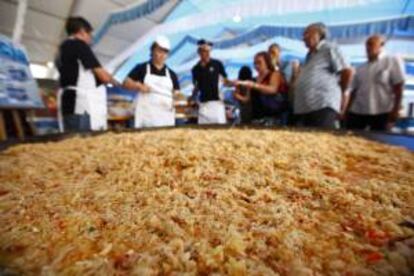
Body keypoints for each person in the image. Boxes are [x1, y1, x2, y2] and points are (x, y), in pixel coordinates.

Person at [56, 16, 119, 133]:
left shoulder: (62, 48)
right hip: (81, 105)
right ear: (82, 32)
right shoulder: (79, 45)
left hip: (69, 103)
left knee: (71, 141)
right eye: (89, 34)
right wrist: (116, 82)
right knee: (82, 142)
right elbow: (103, 76)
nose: (90, 38)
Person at [294, 22, 353, 129]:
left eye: (308, 33)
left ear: (320, 34)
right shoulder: (309, 55)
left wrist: (341, 93)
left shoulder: (330, 48)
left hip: (323, 105)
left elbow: (347, 72)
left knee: (322, 140)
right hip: (307, 108)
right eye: (303, 35)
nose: (304, 37)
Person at [345, 35, 405, 131]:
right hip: (358, 111)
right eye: (366, 45)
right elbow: (353, 92)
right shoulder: (360, 68)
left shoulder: (392, 61)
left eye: (371, 44)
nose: (368, 47)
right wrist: (346, 111)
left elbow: (399, 86)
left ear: (381, 45)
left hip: (382, 111)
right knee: (349, 139)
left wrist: (396, 110)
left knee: (379, 142)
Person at [123, 36, 180, 128]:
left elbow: (176, 93)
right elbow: (125, 83)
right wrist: (138, 86)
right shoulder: (141, 68)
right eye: (159, 51)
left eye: (165, 52)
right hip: (147, 118)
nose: (162, 55)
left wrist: (176, 98)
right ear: (152, 51)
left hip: (166, 118)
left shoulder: (172, 74)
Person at [236, 51, 289, 126]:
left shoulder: (274, 74)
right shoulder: (253, 80)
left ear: (267, 62)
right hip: (256, 118)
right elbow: (247, 99)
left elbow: (273, 89)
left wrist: (254, 85)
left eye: (259, 62)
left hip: (272, 117)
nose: (257, 66)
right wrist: (237, 95)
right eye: (255, 63)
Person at [190, 39, 234, 124]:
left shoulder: (217, 64)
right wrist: (192, 98)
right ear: (199, 52)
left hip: (217, 104)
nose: (206, 53)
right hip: (203, 105)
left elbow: (225, 80)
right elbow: (196, 86)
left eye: (208, 51)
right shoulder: (195, 69)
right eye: (203, 51)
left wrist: (234, 83)